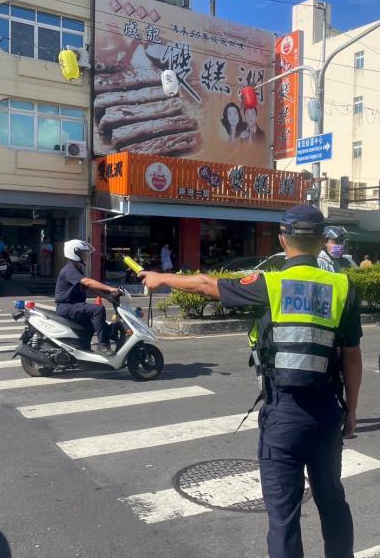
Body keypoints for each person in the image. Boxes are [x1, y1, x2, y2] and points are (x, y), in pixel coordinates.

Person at [139, 204, 362, 558]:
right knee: (332, 501)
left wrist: (161, 278)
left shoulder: (269, 284)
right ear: (323, 241)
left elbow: (205, 284)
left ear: (282, 240)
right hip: (326, 413)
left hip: (284, 415)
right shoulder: (343, 286)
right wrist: (351, 413)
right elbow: (351, 358)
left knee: (284, 519)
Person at [55, 240, 122, 356]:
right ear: (75, 253)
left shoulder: (77, 268)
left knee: (98, 325)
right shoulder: (69, 269)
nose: (86, 256)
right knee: (98, 310)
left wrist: (107, 296)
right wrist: (110, 289)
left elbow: (89, 288)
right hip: (66, 307)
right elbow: (87, 282)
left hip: (74, 306)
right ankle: (102, 346)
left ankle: (84, 349)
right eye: (83, 253)